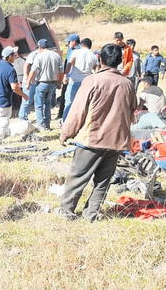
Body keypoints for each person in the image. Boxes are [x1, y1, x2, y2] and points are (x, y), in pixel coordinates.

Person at [58, 44, 136, 222]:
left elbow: (78, 111)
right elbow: (132, 112)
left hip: (91, 139)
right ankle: (91, 213)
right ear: (120, 61)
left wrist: (66, 133)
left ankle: (67, 211)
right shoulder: (127, 84)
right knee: (103, 182)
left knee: (77, 177)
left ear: (100, 59)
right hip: (115, 141)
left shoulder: (92, 81)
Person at [0, 46, 29, 145]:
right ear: (9, 57)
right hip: (4, 101)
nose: (15, 57)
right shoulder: (11, 70)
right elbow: (14, 87)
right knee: (4, 122)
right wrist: (23, 95)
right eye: (13, 55)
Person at [26, 39, 63, 131]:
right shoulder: (56, 55)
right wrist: (59, 82)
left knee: (38, 104)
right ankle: (47, 124)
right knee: (47, 104)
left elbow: (33, 70)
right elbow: (61, 71)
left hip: (42, 83)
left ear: (39, 47)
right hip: (52, 84)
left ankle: (41, 125)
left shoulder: (39, 56)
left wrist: (28, 82)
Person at [63, 37, 98, 120]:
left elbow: (69, 64)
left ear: (81, 44)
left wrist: (65, 75)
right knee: (83, 104)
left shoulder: (76, 52)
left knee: (69, 103)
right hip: (86, 83)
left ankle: (65, 121)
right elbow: (96, 70)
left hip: (74, 81)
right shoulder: (93, 56)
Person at [57, 34, 80, 119]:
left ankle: (66, 116)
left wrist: (66, 76)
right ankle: (61, 114)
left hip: (72, 78)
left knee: (69, 97)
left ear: (74, 42)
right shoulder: (70, 49)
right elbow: (67, 63)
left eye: (69, 42)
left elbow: (71, 64)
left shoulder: (78, 51)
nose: (68, 43)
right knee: (64, 95)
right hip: (68, 76)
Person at [18, 48, 39, 120]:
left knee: (32, 100)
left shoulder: (40, 55)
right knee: (27, 100)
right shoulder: (33, 55)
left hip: (36, 81)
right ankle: (22, 118)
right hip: (30, 82)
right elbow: (26, 66)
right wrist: (27, 80)